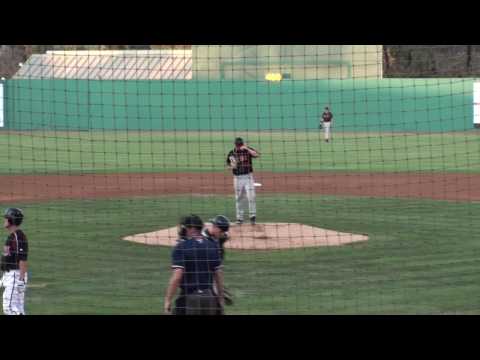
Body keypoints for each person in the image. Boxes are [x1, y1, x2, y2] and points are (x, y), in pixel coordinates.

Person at [164, 215, 224, 316]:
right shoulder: (212, 246)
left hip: (190, 299)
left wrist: (168, 300)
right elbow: (218, 275)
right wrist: (220, 299)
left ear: (190, 228)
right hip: (209, 297)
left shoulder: (181, 247)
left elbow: (177, 275)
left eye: (185, 227)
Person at [0, 208, 28, 315]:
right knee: (18, 309)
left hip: (16, 276)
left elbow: (23, 259)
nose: (5, 220)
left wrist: (21, 280)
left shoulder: (18, 236)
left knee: (9, 308)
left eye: (6, 218)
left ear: (11, 220)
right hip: (9, 275)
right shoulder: (12, 236)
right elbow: (8, 258)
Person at [226, 138, 260, 225]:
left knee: (251, 196)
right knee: (239, 198)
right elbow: (228, 165)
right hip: (237, 178)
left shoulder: (247, 149)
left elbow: (257, 155)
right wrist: (232, 166)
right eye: (238, 145)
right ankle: (239, 218)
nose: (239, 146)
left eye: (240, 145)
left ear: (242, 144)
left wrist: (247, 149)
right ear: (235, 145)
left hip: (248, 177)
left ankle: (252, 217)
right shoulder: (232, 153)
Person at [202, 215, 234, 308]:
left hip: (215, 272)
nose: (223, 234)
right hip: (207, 275)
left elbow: (226, 236)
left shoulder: (220, 237)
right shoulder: (205, 240)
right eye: (222, 232)